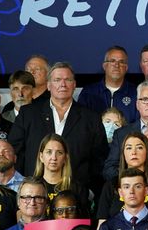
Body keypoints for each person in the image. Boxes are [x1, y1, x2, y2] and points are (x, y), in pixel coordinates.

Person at [8, 62, 108, 196]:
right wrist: (24, 187)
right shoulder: (28, 114)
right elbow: (15, 153)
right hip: (34, 197)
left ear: (74, 85)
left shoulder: (91, 118)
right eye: (57, 80)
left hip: (76, 196)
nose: (63, 84)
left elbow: (100, 160)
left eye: (67, 80)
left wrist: (89, 192)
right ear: (48, 85)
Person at [102, 80, 148, 183]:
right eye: (145, 99)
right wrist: (132, 180)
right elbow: (109, 169)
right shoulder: (121, 134)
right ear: (137, 104)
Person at [96, 131, 148, 220]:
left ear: (147, 153)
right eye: (129, 148)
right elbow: (102, 222)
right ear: (123, 154)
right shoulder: (111, 185)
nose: (134, 152)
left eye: (139, 148)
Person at [77, 45, 139, 124]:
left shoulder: (136, 93)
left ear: (126, 68)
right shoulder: (88, 92)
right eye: (112, 61)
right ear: (104, 66)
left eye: (121, 62)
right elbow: (82, 123)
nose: (116, 65)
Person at [31, 133, 90, 209]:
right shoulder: (31, 187)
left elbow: (83, 219)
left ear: (65, 158)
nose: (54, 158)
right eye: (49, 152)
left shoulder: (77, 189)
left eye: (59, 153)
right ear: (41, 156)